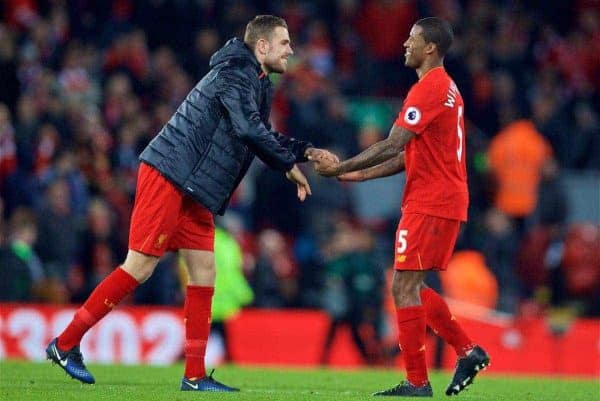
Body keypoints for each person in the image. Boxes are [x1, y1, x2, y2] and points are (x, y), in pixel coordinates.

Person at [46, 15, 337, 392]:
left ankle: (195, 376)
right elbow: (248, 130)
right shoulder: (236, 71)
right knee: (139, 266)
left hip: (197, 186)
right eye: (285, 43)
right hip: (170, 173)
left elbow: (259, 132)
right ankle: (65, 344)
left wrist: (305, 153)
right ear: (262, 46)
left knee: (205, 270)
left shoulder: (260, 83)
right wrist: (287, 163)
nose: (291, 50)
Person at [315, 17, 490, 397]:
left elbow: (394, 144)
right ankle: (466, 352)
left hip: (431, 199)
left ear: (431, 48)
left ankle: (419, 381)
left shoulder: (429, 88)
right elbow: (408, 155)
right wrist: (357, 178)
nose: (404, 45)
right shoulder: (447, 89)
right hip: (443, 197)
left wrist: (341, 166)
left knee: (402, 285)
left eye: (412, 39)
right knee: (410, 284)